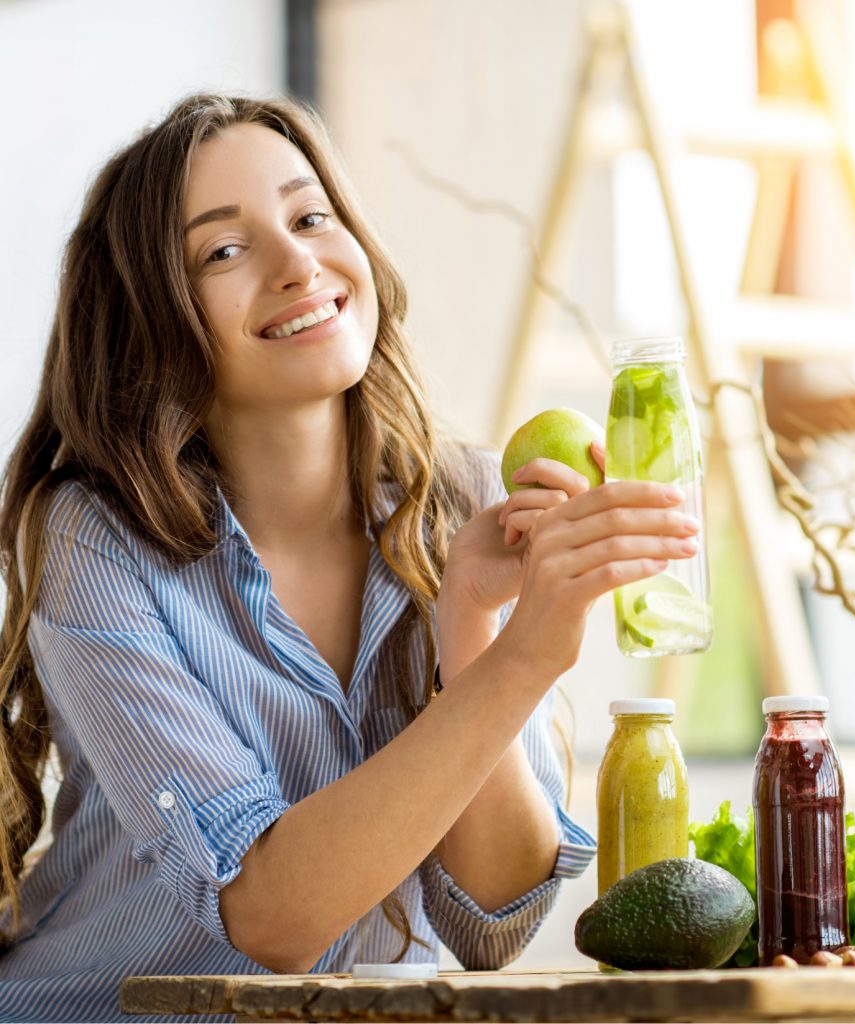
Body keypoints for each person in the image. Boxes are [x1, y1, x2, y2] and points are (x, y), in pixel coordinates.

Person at [0, 93, 700, 1022]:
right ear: (150, 320)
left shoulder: (469, 501)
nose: (297, 264)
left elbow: (491, 920)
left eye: (309, 216)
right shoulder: (94, 537)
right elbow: (269, 916)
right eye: (225, 249)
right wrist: (527, 657)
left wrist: (472, 628)